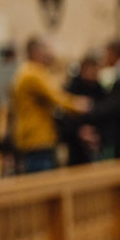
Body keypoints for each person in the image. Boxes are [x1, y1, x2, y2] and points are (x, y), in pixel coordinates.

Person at [10, 37, 92, 173]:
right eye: (45, 51)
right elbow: (56, 96)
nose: (49, 55)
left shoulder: (26, 70)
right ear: (35, 53)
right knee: (43, 186)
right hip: (38, 140)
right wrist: (79, 105)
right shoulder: (33, 73)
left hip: (32, 138)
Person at [59, 54, 107, 165]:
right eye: (91, 69)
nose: (94, 73)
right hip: (76, 147)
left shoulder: (100, 90)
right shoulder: (71, 89)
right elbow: (63, 119)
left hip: (97, 145)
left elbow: (106, 114)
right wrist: (79, 131)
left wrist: (97, 134)